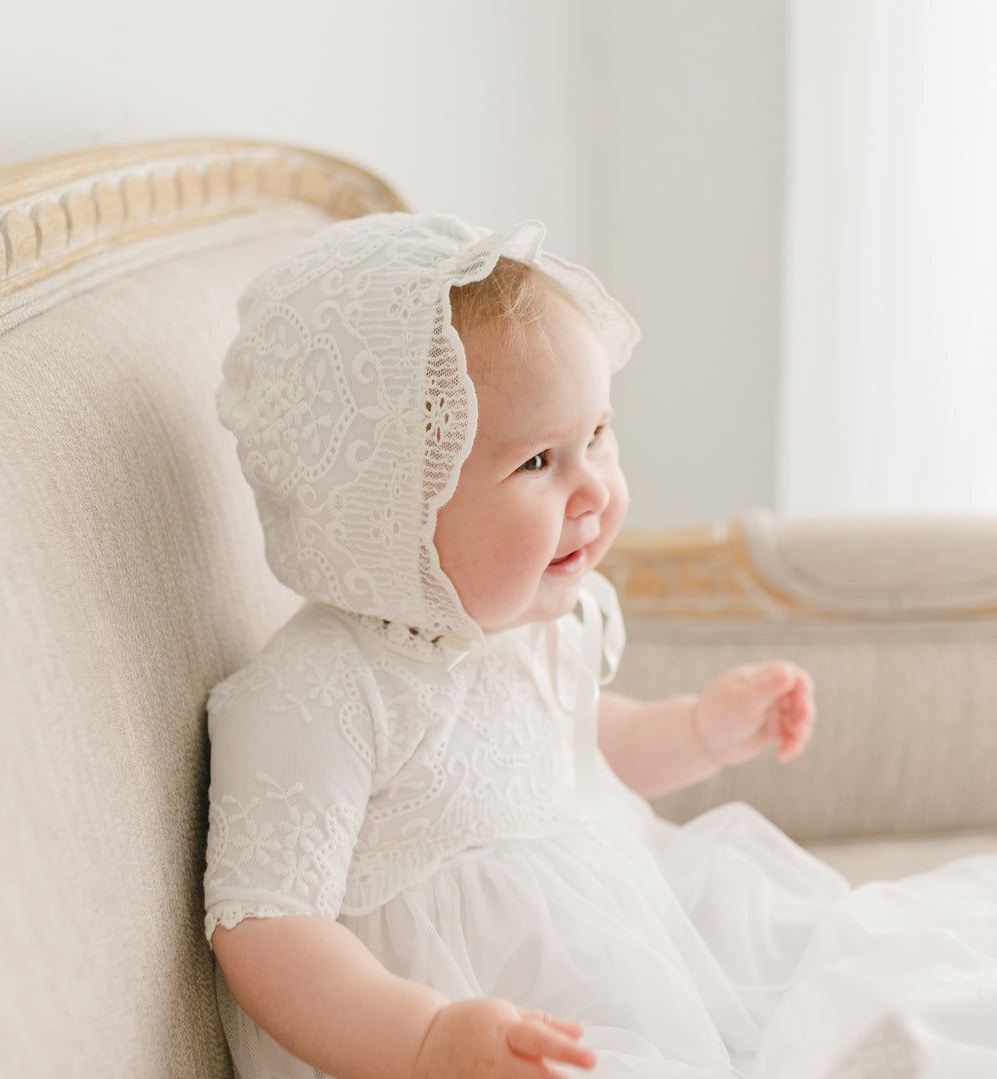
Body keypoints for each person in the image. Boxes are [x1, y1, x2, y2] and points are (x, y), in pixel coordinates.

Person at [205, 213, 997, 1079]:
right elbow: (266, 923)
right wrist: (424, 1038)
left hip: (636, 943)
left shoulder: (523, 624)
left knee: (878, 975)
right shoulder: (317, 694)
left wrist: (698, 728)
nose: (594, 490)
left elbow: (582, 749)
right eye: (538, 462)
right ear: (384, 506)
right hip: (488, 1025)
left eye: (598, 436)